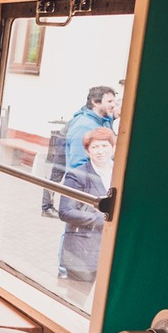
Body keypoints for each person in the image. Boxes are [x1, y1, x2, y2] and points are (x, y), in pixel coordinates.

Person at [56, 126, 117, 294]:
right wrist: (101, 220)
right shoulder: (77, 175)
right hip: (83, 249)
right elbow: (65, 211)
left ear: (113, 147)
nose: (100, 151)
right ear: (87, 151)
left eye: (104, 146)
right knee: (76, 297)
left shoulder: (120, 173)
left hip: (112, 248)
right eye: (95, 147)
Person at [42, 85, 118, 216]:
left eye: (114, 101)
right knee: (57, 174)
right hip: (64, 141)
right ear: (95, 102)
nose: (114, 105)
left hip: (71, 141)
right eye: (110, 101)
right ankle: (46, 207)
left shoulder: (103, 117)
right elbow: (78, 166)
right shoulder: (83, 127)